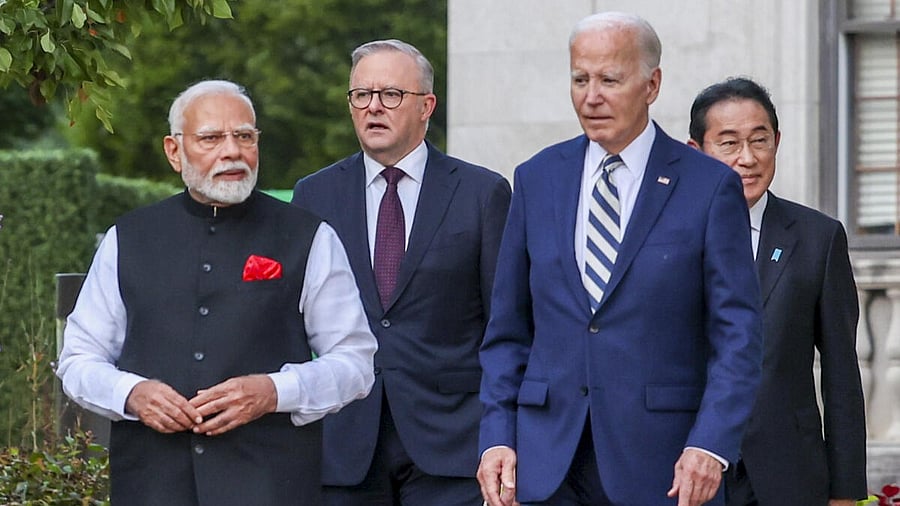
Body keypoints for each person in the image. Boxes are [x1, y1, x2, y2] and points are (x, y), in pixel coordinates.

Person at [477, 12, 764, 506]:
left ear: (652, 84)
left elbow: (738, 335)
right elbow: (508, 331)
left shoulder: (708, 186)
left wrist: (710, 444)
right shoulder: (536, 178)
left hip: (666, 466)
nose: (592, 96)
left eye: (610, 79)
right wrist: (497, 436)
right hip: (546, 463)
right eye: (580, 79)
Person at [56, 79, 378, 506]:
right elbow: (78, 359)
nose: (232, 151)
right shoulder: (127, 237)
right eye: (211, 138)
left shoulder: (309, 236)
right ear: (175, 151)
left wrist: (275, 391)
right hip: (151, 487)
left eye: (244, 136)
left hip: (271, 486)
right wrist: (130, 393)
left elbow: (355, 363)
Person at [291, 39, 511, 505]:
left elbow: (504, 327)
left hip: (453, 442)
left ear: (426, 105)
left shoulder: (482, 193)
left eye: (391, 95)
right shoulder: (315, 195)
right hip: (344, 444)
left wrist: (503, 434)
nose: (373, 107)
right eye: (360, 95)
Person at [688, 77, 867, 506]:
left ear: (777, 142)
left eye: (759, 140)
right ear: (695, 151)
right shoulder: (663, 238)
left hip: (787, 474)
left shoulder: (817, 238)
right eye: (728, 143)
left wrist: (845, 491)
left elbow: (842, 376)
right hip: (686, 468)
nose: (747, 158)